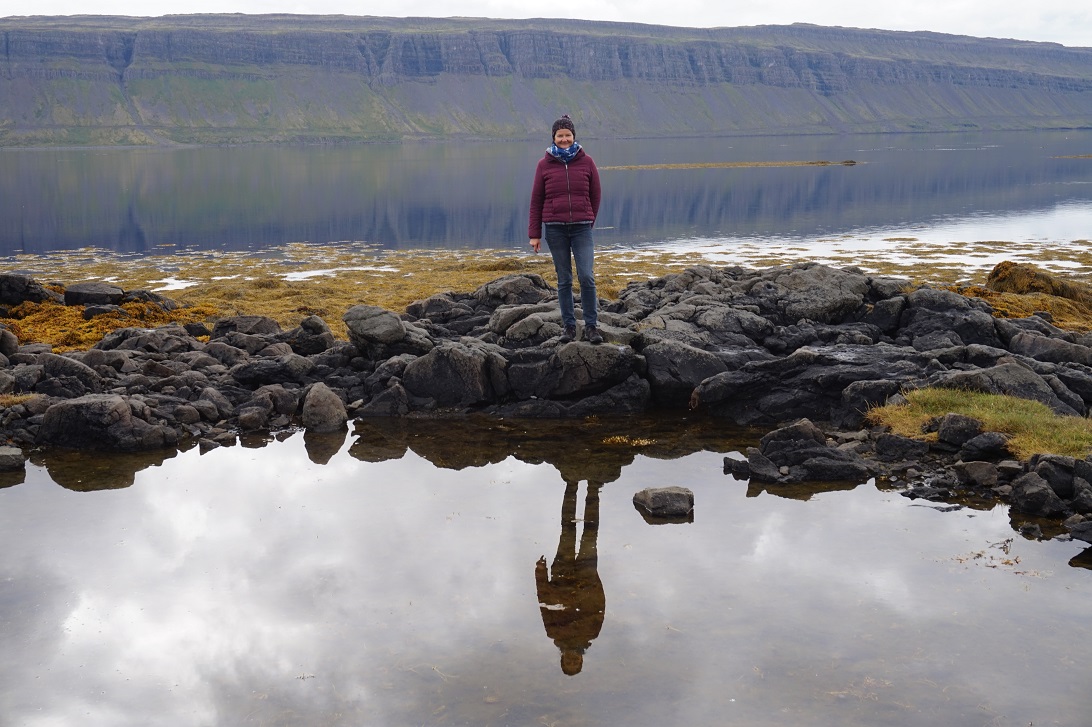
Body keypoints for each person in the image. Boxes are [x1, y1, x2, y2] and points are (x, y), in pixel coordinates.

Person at [528, 114, 604, 344]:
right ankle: (569, 327)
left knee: (587, 277)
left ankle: (591, 327)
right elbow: (536, 200)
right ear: (554, 137)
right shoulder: (544, 165)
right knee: (564, 280)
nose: (564, 139)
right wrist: (534, 234)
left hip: (582, 229)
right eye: (560, 135)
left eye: (567, 135)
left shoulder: (587, 162)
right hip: (555, 229)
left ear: (573, 136)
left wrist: (589, 219)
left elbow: (596, 194)